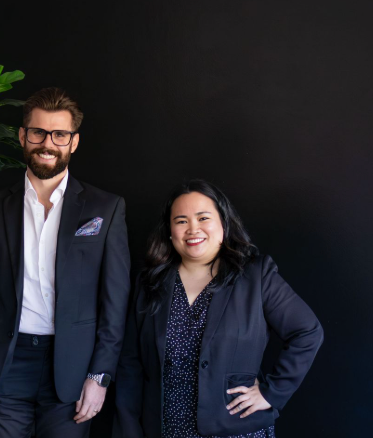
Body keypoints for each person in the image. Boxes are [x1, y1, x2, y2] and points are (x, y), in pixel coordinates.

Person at [0, 87, 131, 437]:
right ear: (23, 136)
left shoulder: (105, 209)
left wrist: (100, 375)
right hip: (5, 362)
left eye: (59, 135)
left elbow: (115, 299)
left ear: (73, 142)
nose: (47, 143)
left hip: (73, 369)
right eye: (38, 132)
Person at [113, 179, 324, 438]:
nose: (193, 229)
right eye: (181, 221)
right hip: (164, 430)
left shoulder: (256, 276)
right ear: (169, 231)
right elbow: (130, 365)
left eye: (203, 218)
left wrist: (272, 392)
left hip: (237, 430)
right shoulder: (149, 283)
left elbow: (308, 331)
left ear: (223, 223)